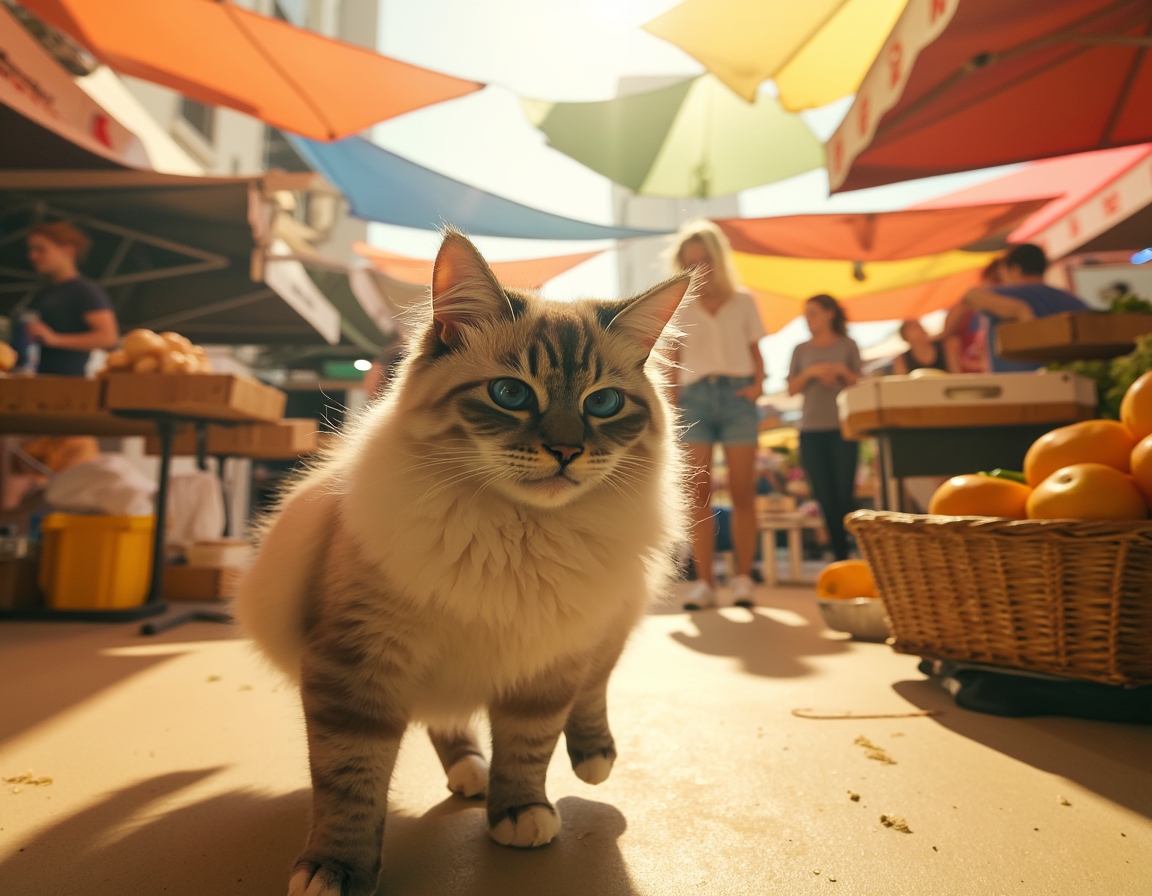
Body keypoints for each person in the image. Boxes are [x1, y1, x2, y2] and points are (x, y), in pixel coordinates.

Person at [671, 221, 767, 611]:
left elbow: (757, 353)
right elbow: (672, 364)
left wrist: (758, 384)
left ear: (717, 258)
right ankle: (705, 583)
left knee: (744, 491)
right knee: (699, 495)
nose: (698, 268)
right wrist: (670, 404)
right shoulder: (678, 304)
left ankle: (743, 578)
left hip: (737, 396)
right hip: (693, 399)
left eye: (704, 260)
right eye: (690, 262)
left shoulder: (743, 301)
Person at [787, 295, 861, 563]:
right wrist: (811, 373)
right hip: (810, 430)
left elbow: (860, 384)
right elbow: (791, 388)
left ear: (830, 313)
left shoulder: (848, 345)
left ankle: (849, 548)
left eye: (813, 313)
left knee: (844, 494)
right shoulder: (801, 349)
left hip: (843, 428)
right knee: (824, 496)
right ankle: (840, 555)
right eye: (806, 314)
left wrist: (841, 372)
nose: (808, 319)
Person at [948, 244, 1088, 373]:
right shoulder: (1070, 301)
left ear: (1015, 269)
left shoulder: (1007, 294)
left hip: (1015, 389)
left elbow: (970, 294)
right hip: (1069, 387)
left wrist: (1018, 309)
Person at [20, 222, 118, 376]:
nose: (32, 256)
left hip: (69, 385)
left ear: (68, 250)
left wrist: (55, 339)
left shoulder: (85, 291)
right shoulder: (44, 292)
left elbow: (108, 338)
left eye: (40, 249)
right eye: (31, 250)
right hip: (38, 379)